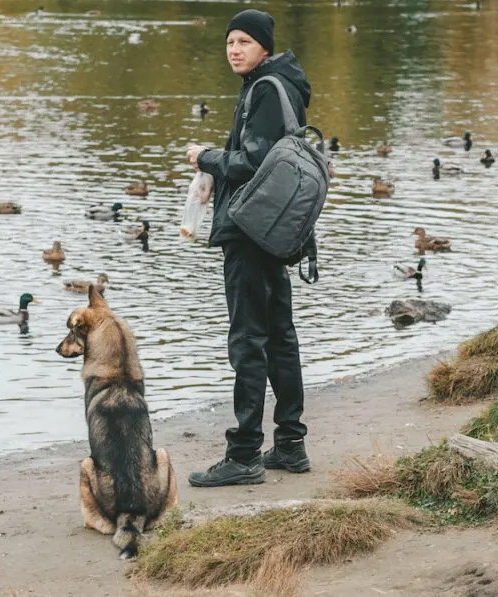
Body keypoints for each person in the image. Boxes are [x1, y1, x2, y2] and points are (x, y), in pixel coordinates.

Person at [185, 9, 312, 487]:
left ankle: (243, 455)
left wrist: (206, 158)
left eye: (243, 41)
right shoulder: (285, 86)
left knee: (248, 342)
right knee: (280, 335)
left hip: (250, 232)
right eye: (229, 41)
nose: (234, 49)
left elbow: (252, 159)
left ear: (263, 47)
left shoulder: (263, 89)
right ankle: (290, 445)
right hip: (275, 230)